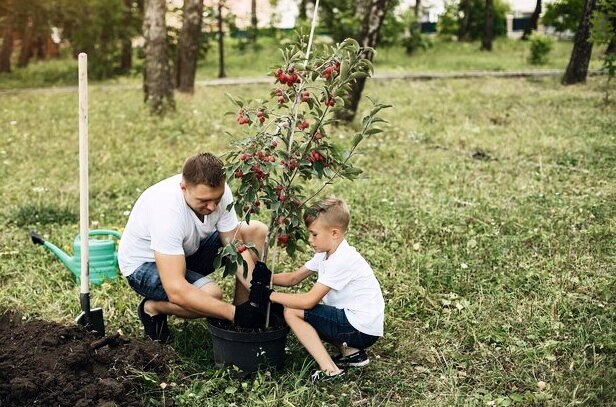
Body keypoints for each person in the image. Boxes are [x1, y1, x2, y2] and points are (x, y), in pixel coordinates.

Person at [118, 152, 268, 343]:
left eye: (217, 199)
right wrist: (233, 313)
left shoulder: (218, 192)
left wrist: (258, 292)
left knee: (254, 230)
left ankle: (245, 317)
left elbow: (235, 247)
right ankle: (153, 308)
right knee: (211, 295)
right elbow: (176, 289)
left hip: (186, 251)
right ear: (184, 188)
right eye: (204, 201)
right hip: (145, 266)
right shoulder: (167, 211)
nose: (213, 207)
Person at [249, 197, 385, 382]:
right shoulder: (327, 252)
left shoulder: (342, 260)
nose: (310, 239)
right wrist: (268, 278)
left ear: (334, 233)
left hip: (360, 328)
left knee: (293, 312)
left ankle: (330, 370)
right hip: (360, 324)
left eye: (314, 234)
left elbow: (308, 301)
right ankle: (352, 354)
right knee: (309, 313)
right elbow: (294, 278)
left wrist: (270, 295)